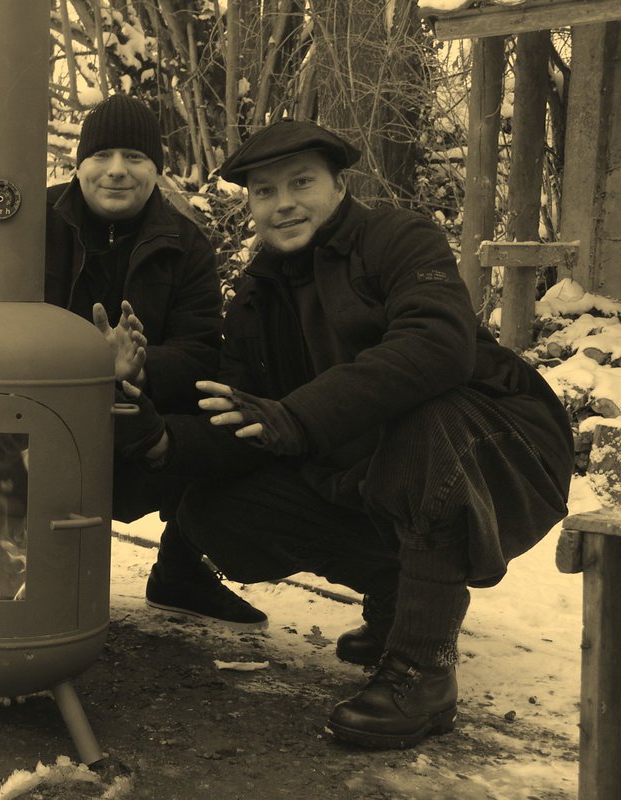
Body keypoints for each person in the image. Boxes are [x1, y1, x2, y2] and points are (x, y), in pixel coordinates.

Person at [123, 119, 573, 748]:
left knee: (423, 418)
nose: (283, 204)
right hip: (373, 471)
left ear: (338, 184)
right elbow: (240, 418)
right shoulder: (255, 295)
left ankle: (423, 669)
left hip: (501, 449)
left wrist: (299, 417)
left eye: (301, 182)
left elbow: (437, 346)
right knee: (220, 509)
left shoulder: (398, 238)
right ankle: (398, 596)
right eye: (264, 192)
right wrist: (154, 436)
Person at [0, 94, 267, 631]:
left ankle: (181, 571)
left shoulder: (187, 244)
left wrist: (139, 368)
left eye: (135, 158)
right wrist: (77, 362)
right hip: (27, 421)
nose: (117, 171)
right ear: (80, 163)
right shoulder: (25, 222)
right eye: (104, 155)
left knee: (232, 424)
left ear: (156, 170)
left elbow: (203, 351)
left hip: (133, 426)